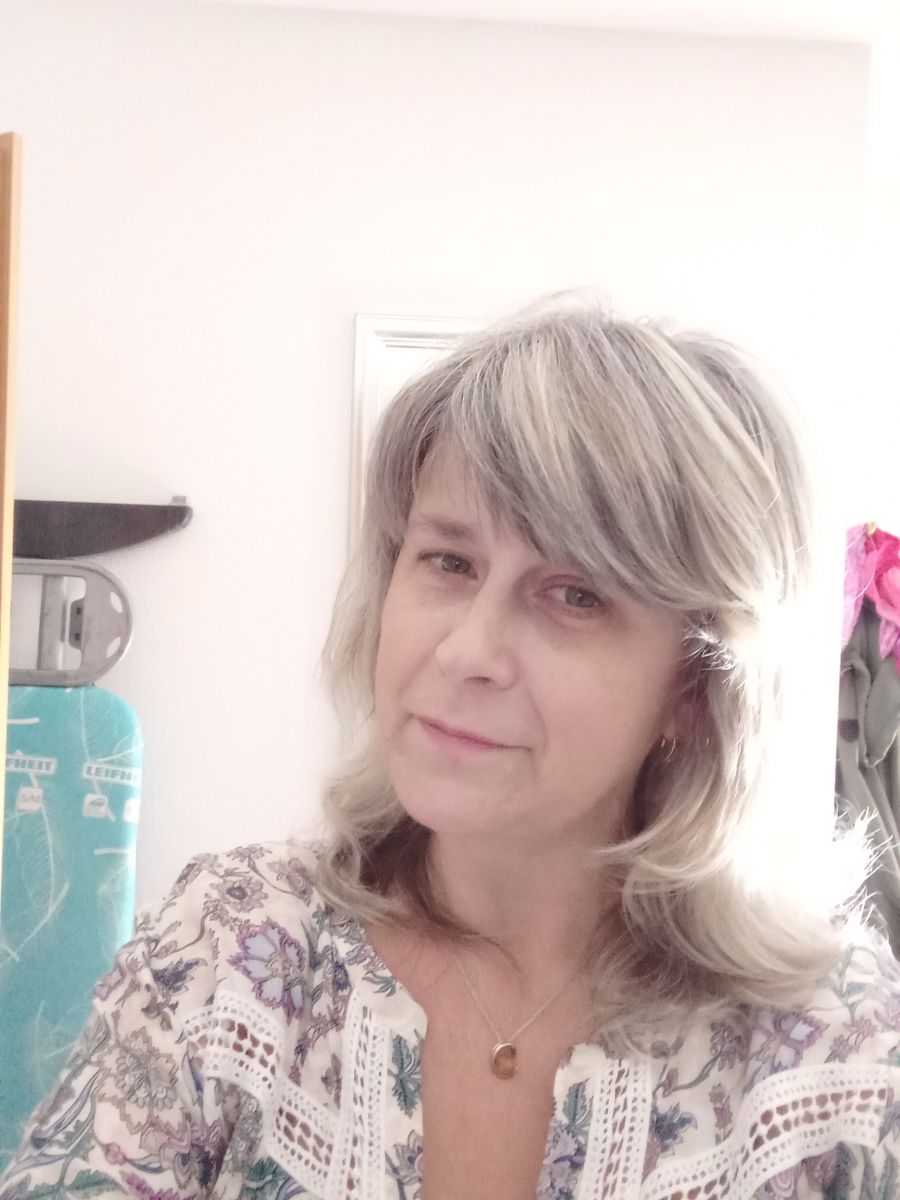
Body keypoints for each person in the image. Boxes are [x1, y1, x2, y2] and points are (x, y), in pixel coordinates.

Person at [2, 291, 898, 1200]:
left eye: (575, 595)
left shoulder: (837, 1055)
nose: (467, 651)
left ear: (695, 691)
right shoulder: (229, 950)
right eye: (450, 561)